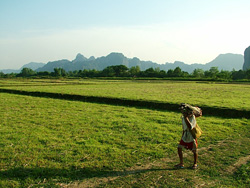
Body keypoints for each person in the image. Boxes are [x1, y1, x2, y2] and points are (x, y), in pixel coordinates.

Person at [175, 103, 201, 169]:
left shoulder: (192, 117)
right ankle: (181, 163)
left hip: (191, 135)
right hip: (185, 134)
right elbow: (184, 127)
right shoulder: (184, 117)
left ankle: (195, 163)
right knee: (179, 147)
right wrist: (182, 136)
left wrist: (186, 118)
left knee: (194, 150)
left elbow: (190, 127)